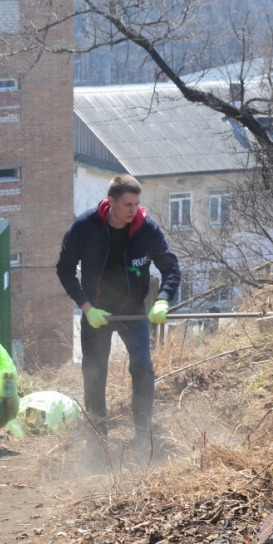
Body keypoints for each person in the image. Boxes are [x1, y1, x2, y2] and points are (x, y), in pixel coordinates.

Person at [56, 175, 181, 447]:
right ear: (110, 202)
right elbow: (64, 269)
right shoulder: (84, 227)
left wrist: (162, 300)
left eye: (137, 204)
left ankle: (144, 434)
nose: (134, 210)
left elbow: (170, 267)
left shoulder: (147, 230)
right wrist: (86, 307)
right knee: (94, 371)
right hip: (96, 311)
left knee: (143, 367)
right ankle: (97, 436)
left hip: (132, 310)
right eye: (127, 204)